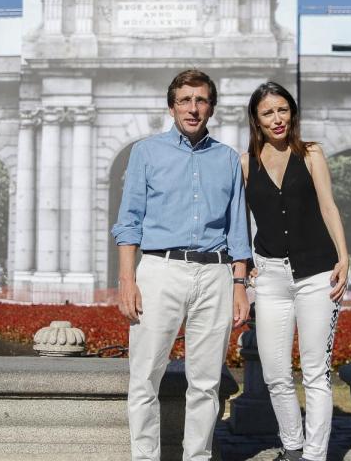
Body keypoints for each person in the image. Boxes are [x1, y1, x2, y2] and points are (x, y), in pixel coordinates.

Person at [112, 69, 252, 461]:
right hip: (160, 270)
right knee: (144, 377)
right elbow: (130, 220)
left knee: (206, 382)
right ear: (172, 106)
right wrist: (127, 279)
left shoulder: (226, 159)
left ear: (212, 107)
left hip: (215, 275)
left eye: (201, 100)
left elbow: (238, 227)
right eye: (185, 100)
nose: (193, 108)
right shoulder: (146, 152)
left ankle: (198, 457)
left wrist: (240, 284)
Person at [241, 81, 349, 461]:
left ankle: (314, 456)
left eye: (283, 109)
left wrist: (344, 257)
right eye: (268, 112)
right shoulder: (245, 162)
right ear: (256, 119)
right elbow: (239, 221)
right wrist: (245, 267)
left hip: (318, 274)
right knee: (275, 373)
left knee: (316, 374)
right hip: (270, 278)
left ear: (292, 113)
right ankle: (292, 447)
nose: (277, 118)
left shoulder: (312, 153)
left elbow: (328, 207)